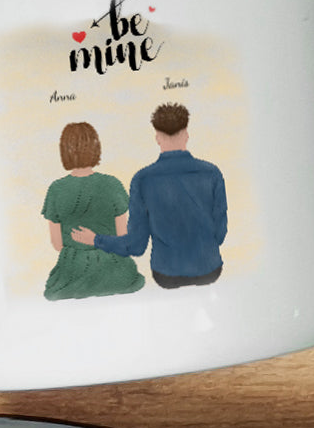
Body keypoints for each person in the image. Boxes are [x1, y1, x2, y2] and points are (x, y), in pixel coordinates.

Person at [72, 103, 227, 288]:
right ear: (187, 134)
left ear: (157, 138)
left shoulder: (142, 179)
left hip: (166, 275)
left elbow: (136, 246)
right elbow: (220, 235)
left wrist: (95, 240)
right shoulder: (212, 173)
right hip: (210, 271)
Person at [41, 122, 145, 301]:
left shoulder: (56, 189)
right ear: (95, 148)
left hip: (73, 272)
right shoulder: (112, 184)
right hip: (114, 271)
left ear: (64, 151)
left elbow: (57, 245)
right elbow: (122, 238)